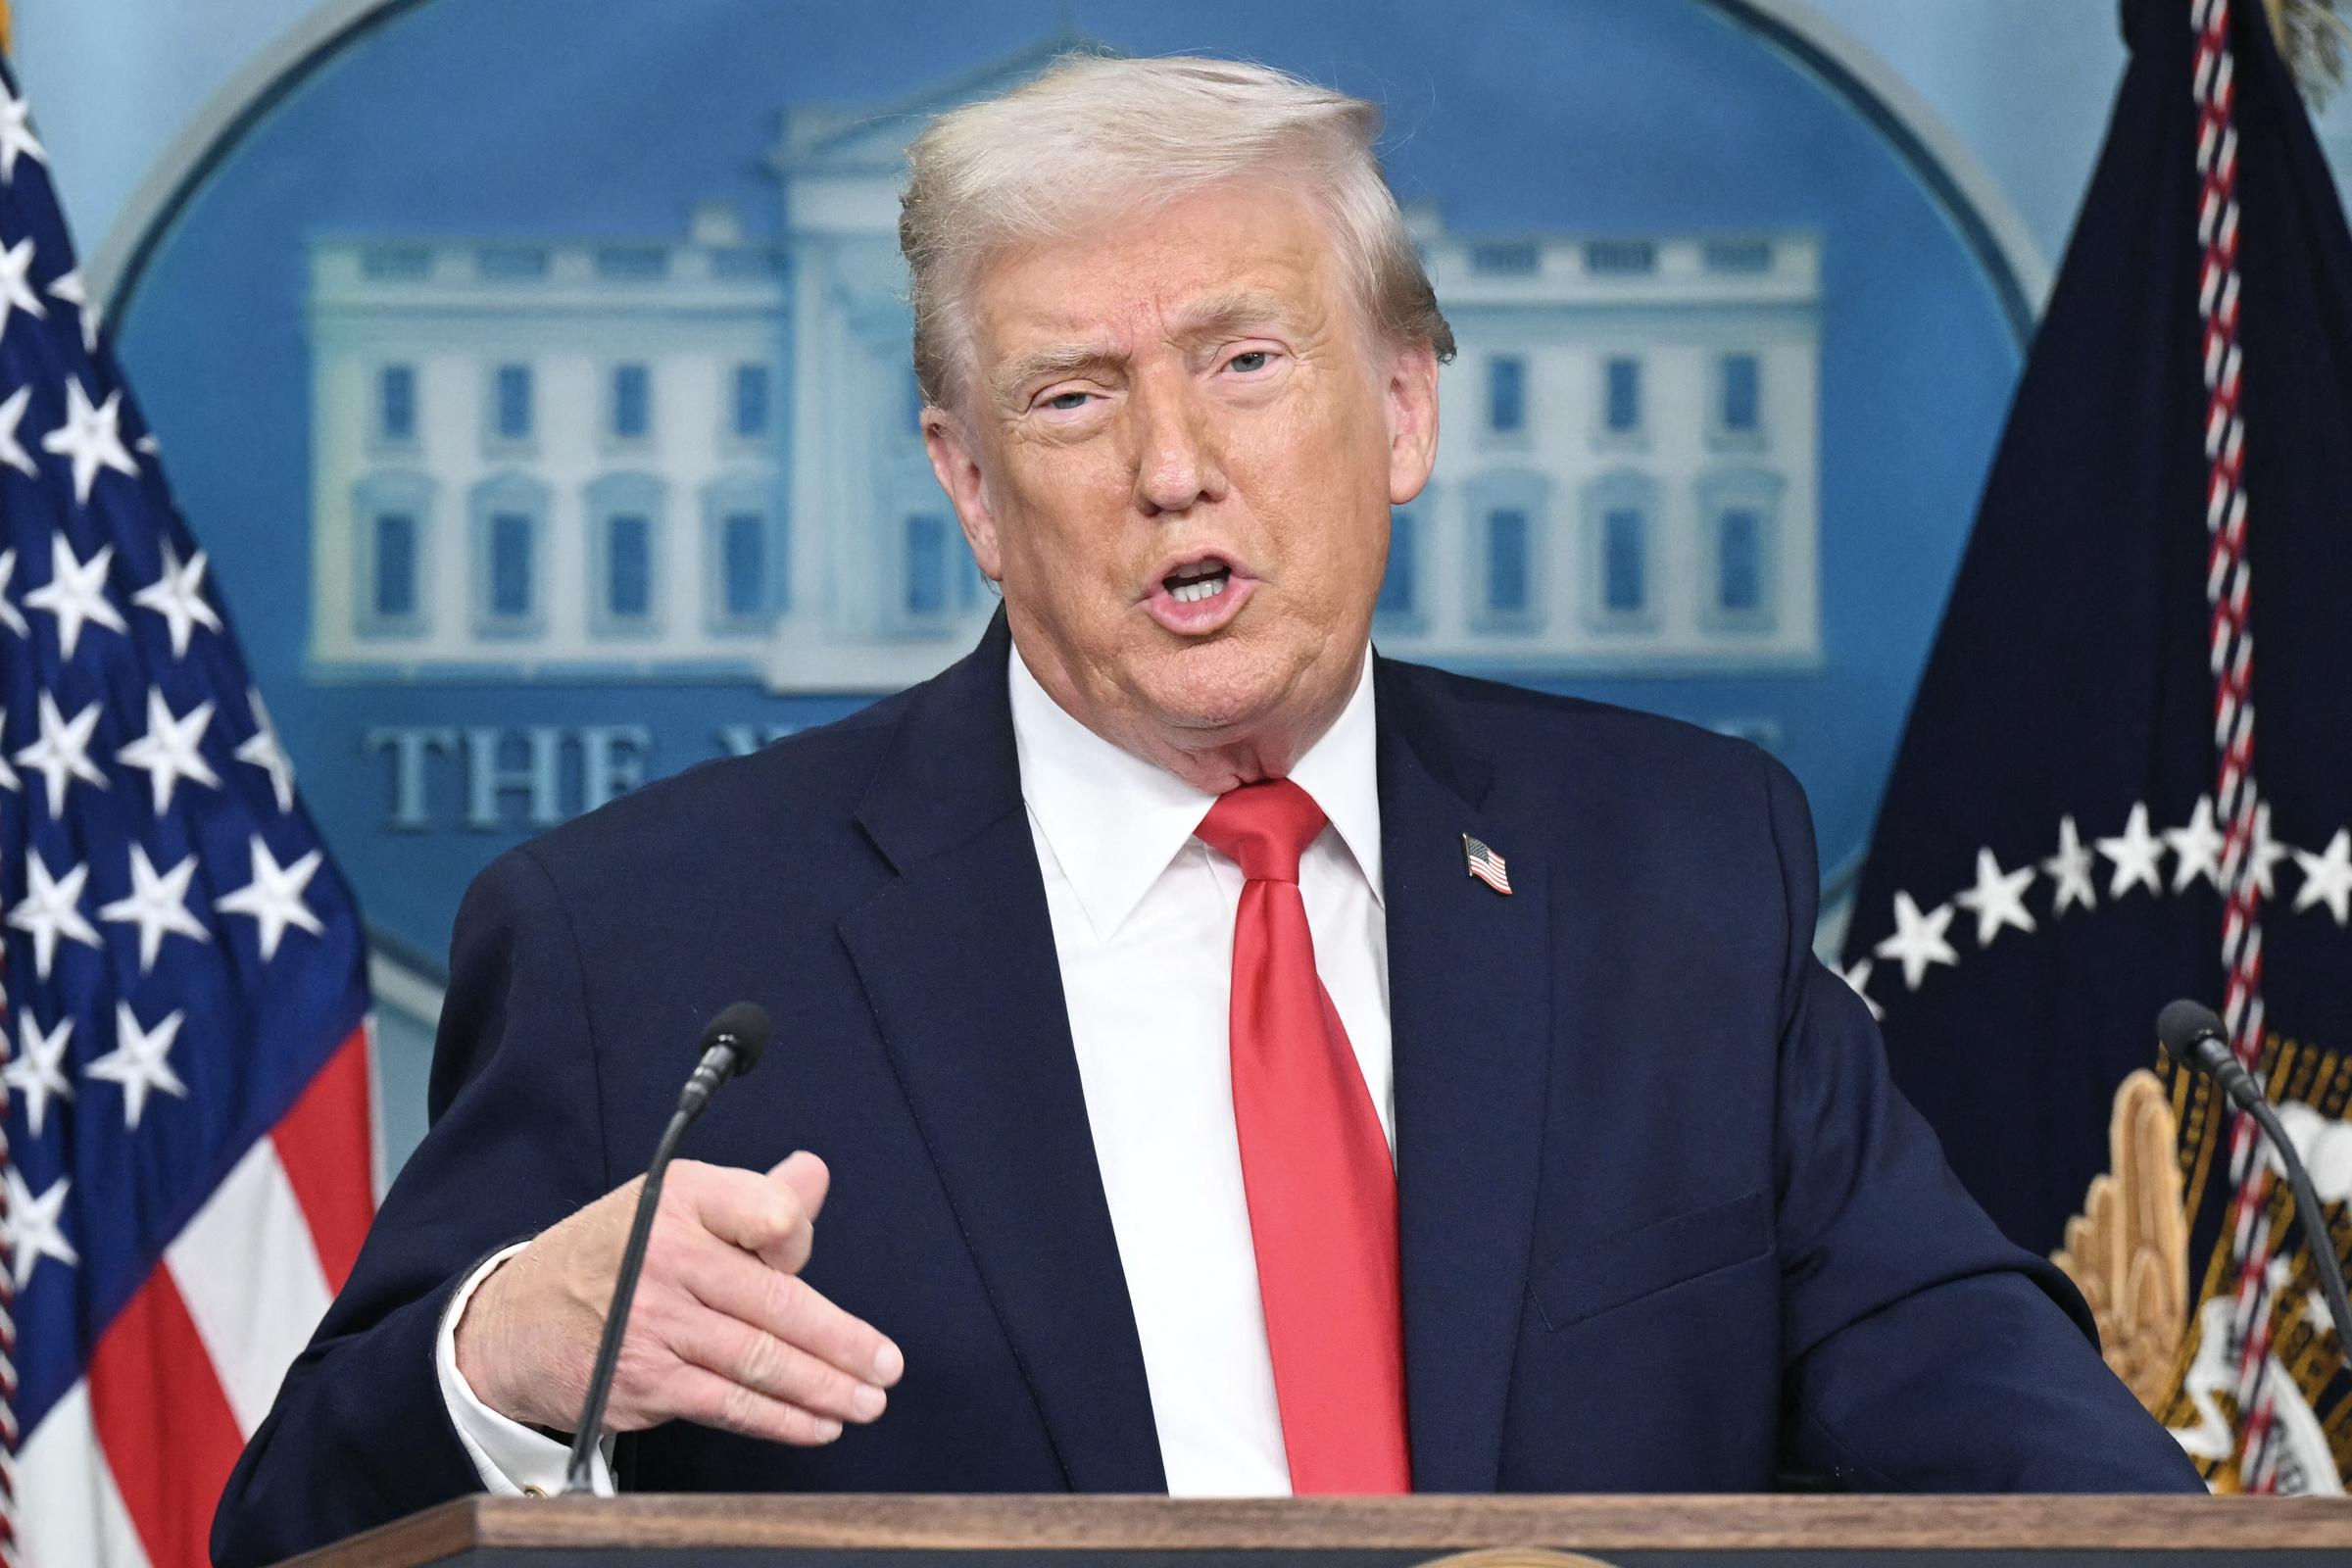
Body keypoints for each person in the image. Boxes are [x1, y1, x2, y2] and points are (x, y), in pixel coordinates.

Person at [212, 51, 2203, 1567]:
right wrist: (499, 1360)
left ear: (1405, 408)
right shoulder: (641, 941)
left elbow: (1998, 1420)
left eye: (1249, 361)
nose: (1175, 465)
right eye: (1073, 394)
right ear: (972, 484)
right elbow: (289, 1524)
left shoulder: (1682, 867)